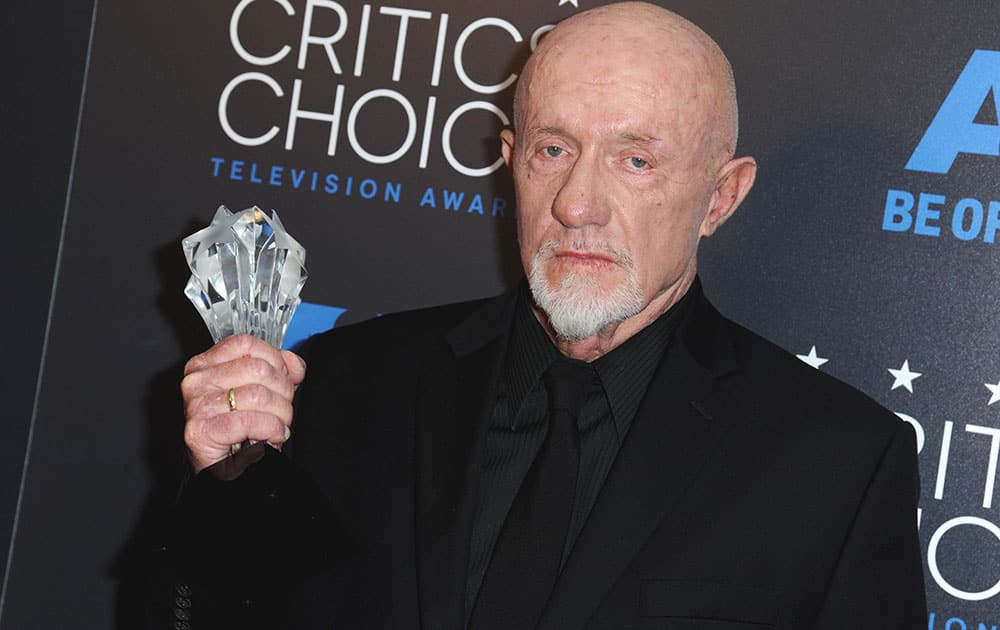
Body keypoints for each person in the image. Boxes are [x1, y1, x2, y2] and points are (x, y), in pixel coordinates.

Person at [167, 2, 927, 628]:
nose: (577, 204)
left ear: (721, 197)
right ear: (510, 158)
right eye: (554, 149)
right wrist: (228, 484)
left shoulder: (837, 467)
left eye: (636, 159)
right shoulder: (349, 384)